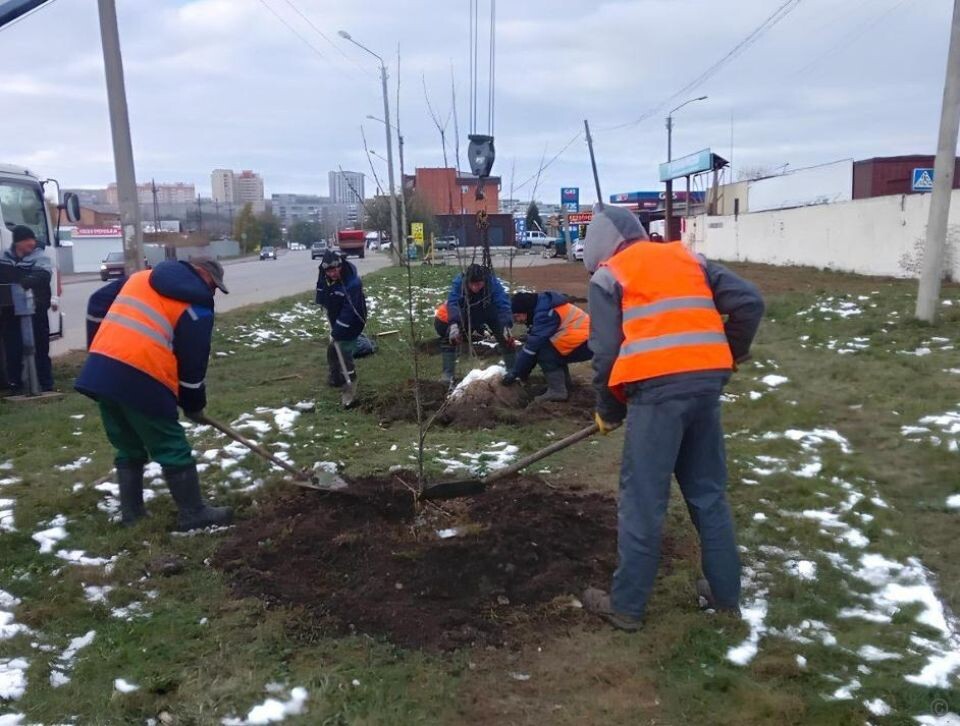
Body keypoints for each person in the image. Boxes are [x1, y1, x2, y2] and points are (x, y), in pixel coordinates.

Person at [580, 204, 764, 631]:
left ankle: (626, 607)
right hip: (705, 387)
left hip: (657, 395)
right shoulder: (688, 258)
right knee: (708, 493)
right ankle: (724, 597)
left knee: (643, 500)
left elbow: (606, 355)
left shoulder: (610, 275)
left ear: (601, 248)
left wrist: (608, 409)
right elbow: (750, 303)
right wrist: (725, 356)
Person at [75, 257, 233, 531]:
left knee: (128, 443)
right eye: (213, 285)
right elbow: (193, 364)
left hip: (102, 370)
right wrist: (194, 404)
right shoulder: (197, 307)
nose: (213, 292)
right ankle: (193, 513)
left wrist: (99, 350)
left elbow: (97, 302)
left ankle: (132, 514)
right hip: (143, 375)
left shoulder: (140, 278)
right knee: (171, 445)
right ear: (200, 274)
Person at [501, 290, 591, 402]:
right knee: (552, 347)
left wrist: (515, 373)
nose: (518, 321)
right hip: (586, 338)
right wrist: (522, 372)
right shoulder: (544, 304)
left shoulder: (544, 314)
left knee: (545, 351)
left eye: (518, 316)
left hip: (586, 342)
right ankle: (564, 385)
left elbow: (531, 348)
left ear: (526, 311)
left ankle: (557, 391)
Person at [437, 263, 515, 384]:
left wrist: (506, 325)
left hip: (490, 311)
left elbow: (503, 303)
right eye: (472, 284)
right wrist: (454, 324)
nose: (475, 288)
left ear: (484, 281)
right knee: (449, 338)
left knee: (506, 339)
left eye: (478, 284)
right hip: (468, 312)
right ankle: (448, 374)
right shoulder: (460, 282)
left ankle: (512, 371)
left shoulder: (492, 282)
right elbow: (453, 303)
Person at [0, 225, 54, 392]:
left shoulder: (41, 257)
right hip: (10, 311)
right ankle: (15, 384)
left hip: (36, 310)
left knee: (39, 347)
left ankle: (45, 384)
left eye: (32, 240)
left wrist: (23, 283)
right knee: (12, 348)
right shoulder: (4, 258)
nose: (32, 243)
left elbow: (42, 276)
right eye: (27, 240)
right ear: (18, 242)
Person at [315, 249, 366, 391]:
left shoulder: (352, 283)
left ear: (340, 266)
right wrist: (321, 301)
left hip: (354, 319)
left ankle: (350, 378)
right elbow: (321, 285)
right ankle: (335, 377)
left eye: (334, 271)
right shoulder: (325, 274)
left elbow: (350, 310)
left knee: (344, 348)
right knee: (332, 350)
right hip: (335, 314)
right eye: (328, 272)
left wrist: (338, 330)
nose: (331, 274)